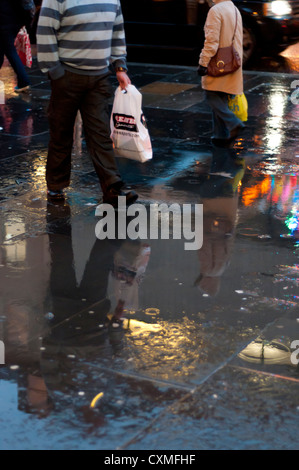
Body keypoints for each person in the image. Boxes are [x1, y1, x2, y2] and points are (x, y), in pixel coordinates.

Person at [36, 0, 138, 206]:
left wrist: (120, 66)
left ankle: (112, 188)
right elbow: (45, 30)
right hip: (67, 75)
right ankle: (56, 186)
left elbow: (117, 31)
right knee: (61, 132)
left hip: (99, 78)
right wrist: (55, 72)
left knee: (100, 133)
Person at [198, 0, 245, 146]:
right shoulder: (234, 9)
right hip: (232, 62)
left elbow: (211, 41)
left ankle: (233, 123)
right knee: (221, 96)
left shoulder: (216, 10)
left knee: (211, 95)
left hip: (218, 62)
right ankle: (220, 136)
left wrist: (203, 62)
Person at [0, 0, 35, 93]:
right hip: (14, 21)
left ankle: (24, 82)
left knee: (10, 51)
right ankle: (24, 82)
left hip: (5, 22)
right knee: (4, 48)